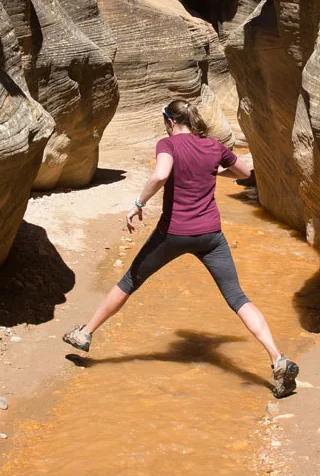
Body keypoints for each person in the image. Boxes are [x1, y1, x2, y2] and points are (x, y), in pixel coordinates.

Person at [63, 99, 299, 398]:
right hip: (211, 235)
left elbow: (161, 174)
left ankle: (85, 333)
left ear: (170, 122)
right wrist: (213, 172)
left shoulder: (168, 144)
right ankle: (277, 358)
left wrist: (138, 204)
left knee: (130, 280)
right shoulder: (214, 146)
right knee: (237, 296)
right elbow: (244, 173)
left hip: (172, 233)